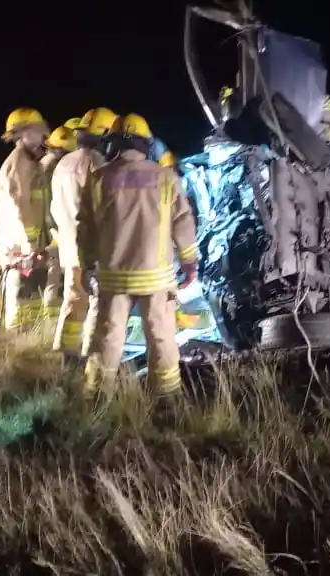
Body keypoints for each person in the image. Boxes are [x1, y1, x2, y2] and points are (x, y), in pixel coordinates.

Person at [78, 112, 199, 395]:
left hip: (112, 277)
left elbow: (85, 229)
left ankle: (96, 396)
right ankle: (167, 396)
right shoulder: (166, 178)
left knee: (107, 337)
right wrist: (189, 262)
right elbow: (183, 221)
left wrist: (86, 266)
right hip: (156, 277)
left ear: (114, 144)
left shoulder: (98, 179)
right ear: (146, 144)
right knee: (162, 337)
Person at [48, 107, 115, 358]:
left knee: (73, 299)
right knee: (98, 302)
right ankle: (91, 356)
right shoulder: (98, 164)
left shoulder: (64, 162)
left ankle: (66, 352)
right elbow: (102, 210)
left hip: (68, 245)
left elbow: (54, 207)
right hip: (91, 247)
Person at [0, 107, 55, 332]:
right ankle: (18, 343)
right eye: (37, 131)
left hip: (30, 245)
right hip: (19, 246)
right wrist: (30, 244)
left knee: (30, 296)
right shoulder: (18, 165)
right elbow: (20, 209)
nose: (43, 136)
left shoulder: (31, 163)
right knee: (19, 297)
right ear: (21, 134)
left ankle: (31, 340)